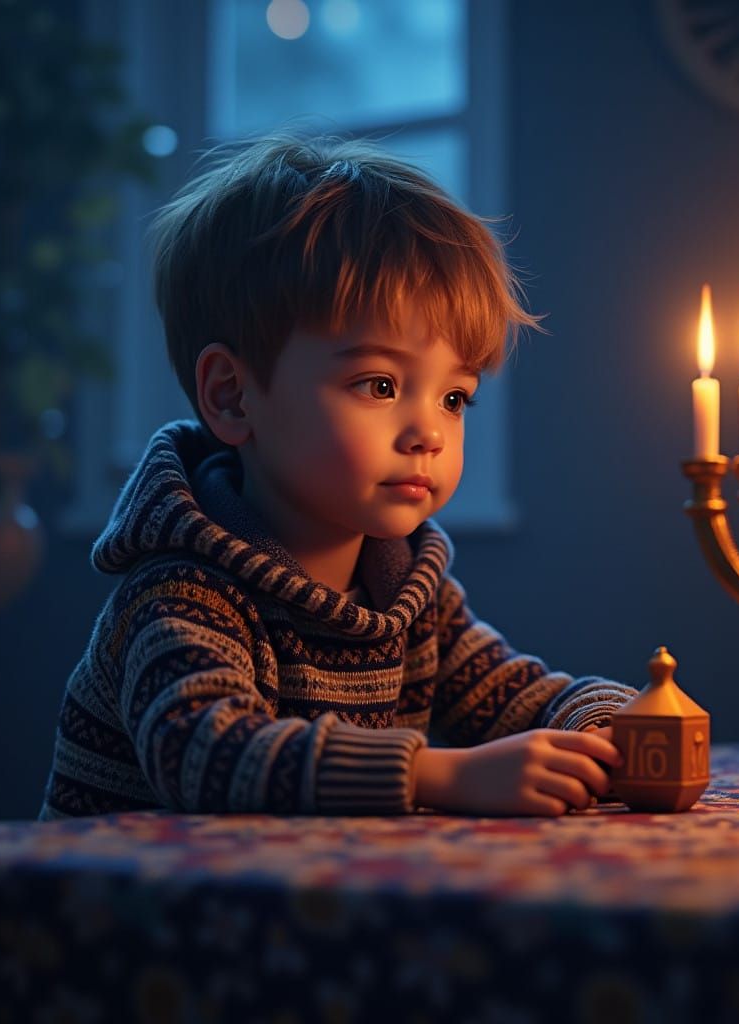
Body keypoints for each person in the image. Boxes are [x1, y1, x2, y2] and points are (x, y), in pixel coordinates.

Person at [39, 131, 636, 822]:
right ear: (232, 395)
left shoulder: (408, 591)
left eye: (454, 397)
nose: (429, 433)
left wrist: (613, 727)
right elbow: (206, 754)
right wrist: (437, 776)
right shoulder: (183, 591)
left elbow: (513, 691)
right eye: (379, 384)